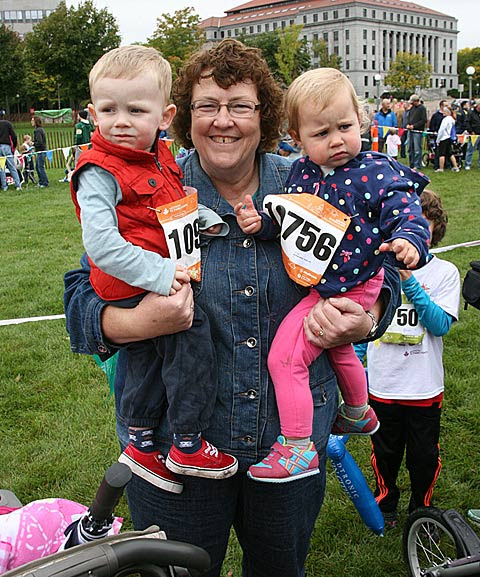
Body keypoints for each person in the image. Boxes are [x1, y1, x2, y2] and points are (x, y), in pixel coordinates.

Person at [64, 39, 401, 577]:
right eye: (208, 106)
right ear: (182, 116)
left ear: (263, 115)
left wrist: (370, 315)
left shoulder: (313, 181)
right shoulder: (154, 186)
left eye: (240, 105)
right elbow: (81, 293)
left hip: (290, 443)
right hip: (176, 449)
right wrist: (132, 322)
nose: (223, 121)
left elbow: (380, 267)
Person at [235, 67, 430, 483]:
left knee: (285, 359)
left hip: (357, 283)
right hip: (324, 284)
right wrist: (261, 224)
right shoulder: (301, 173)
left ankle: (297, 447)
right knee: (338, 347)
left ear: (360, 119)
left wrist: (409, 240)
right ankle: (358, 412)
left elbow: (407, 211)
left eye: (345, 126)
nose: (337, 140)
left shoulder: (376, 171)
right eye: (322, 133)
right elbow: (288, 220)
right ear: (296, 137)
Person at [70, 45, 237, 492]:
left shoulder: (158, 157)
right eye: (109, 109)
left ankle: (141, 443)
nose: (121, 121)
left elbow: (168, 206)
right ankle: (187, 441)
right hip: (132, 282)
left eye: (136, 110)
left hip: (141, 279)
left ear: (164, 117)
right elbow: (101, 246)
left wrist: (202, 218)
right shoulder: (99, 171)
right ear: (92, 113)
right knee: (191, 338)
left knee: (146, 357)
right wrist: (161, 275)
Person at [356, 189, 460, 529]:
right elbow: (364, 327)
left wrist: (409, 282)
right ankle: (386, 502)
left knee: (423, 456)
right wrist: (356, 367)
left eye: (421, 226)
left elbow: (439, 325)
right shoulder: (375, 270)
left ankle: (422, 509)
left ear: (434, 230)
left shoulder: (445, 273)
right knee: (384, 453)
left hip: (423, 387)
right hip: (383, 385)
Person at [0, 110, 22, 191]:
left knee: (1, 168)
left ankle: (4, 186)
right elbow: (14, 136)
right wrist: (14, 146)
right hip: (6, 146)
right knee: (12, 166)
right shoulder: (8, 124)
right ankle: (18, 185)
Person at [435, 106, 460, 173]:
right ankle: (456, 167)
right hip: (448, 137)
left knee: (441, 154)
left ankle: (441, 168)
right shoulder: (452, 119)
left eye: (444, 111)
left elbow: (441, 130)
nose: (443, 112)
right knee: (450, 153)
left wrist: (438, 139)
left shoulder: (445, 120)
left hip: (443, 138)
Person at [406, 94, 427, 170]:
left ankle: (417, 164)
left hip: (417, 131)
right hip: (410, 131)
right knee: (410, 148)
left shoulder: (422, 108)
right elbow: (409, 117)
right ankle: (411, 164)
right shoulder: (412, 108)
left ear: (416, 101)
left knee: (417, 149)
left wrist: (414, 126)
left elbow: (423, 120)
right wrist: (408, 124)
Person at [428, 100, 447, 170]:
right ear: (441, 106)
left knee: (447, 151)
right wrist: (434, 131)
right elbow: (432, 125)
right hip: (438, 135)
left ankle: (447, 164)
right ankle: (437, 165)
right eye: (445, 106)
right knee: (438, 151)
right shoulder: (436, 115)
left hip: (446, 136)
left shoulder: (447, 116)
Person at [31, 116, 49, 188]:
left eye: (32, 120)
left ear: (36, 121)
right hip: (40, 150)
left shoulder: (38, 131)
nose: (31, 122)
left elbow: (39, 142)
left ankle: (44, 182)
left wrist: (33, 143)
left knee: (40, 167)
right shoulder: (40, 129)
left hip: (41, 150)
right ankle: (41, 181)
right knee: (38, 166)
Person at [465, 99, 480, 170]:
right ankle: (468, 164)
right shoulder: (471, 113)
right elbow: (467, 122)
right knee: (470, 150)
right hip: (474, 134)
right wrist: (471, 131)